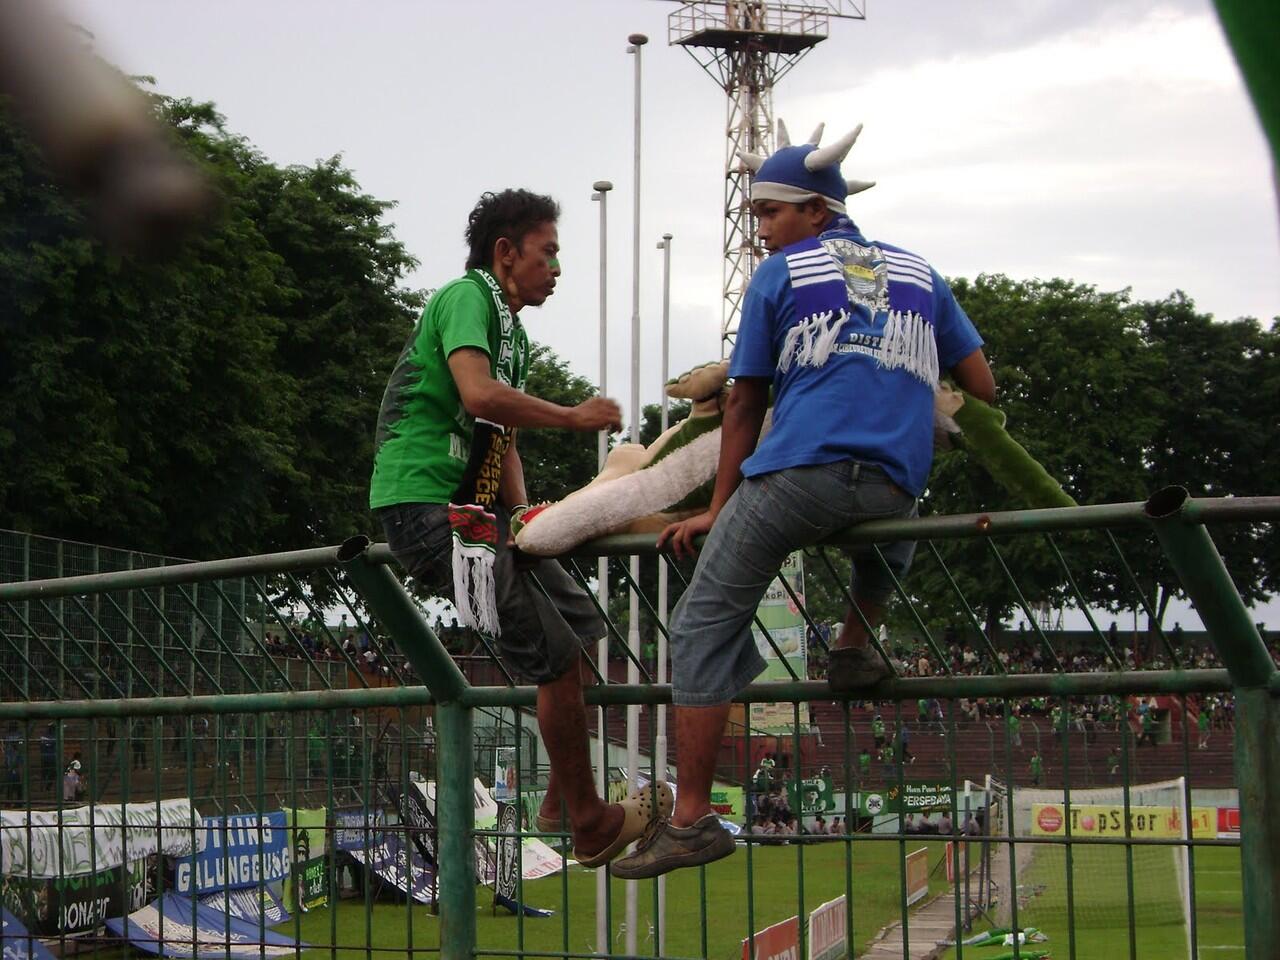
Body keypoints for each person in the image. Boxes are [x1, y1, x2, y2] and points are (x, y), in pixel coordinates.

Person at [611, 121, 993, 879]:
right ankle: (853, 645)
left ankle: (690, 821)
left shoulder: (777, 278)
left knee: (699, 625)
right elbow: (981, 388)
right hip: (891, 480)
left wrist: (719, 506)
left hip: (799, 476)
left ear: (817, 210)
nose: (759, 229)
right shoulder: (920, 272)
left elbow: (746, 405)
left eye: (769, 212)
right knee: (892, 528)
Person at [368, 189, 665, 868]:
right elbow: (479, 396)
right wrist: (572, 415)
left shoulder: (514, 333)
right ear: (506, 253)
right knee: (555, 656)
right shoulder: (467, 297)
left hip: (478, 513)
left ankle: (563, 802)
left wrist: (528, 516)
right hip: (429, 512)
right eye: (548, 252)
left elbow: (499, 436)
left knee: (583, 625)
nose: (556, 269)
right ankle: (589, 823)